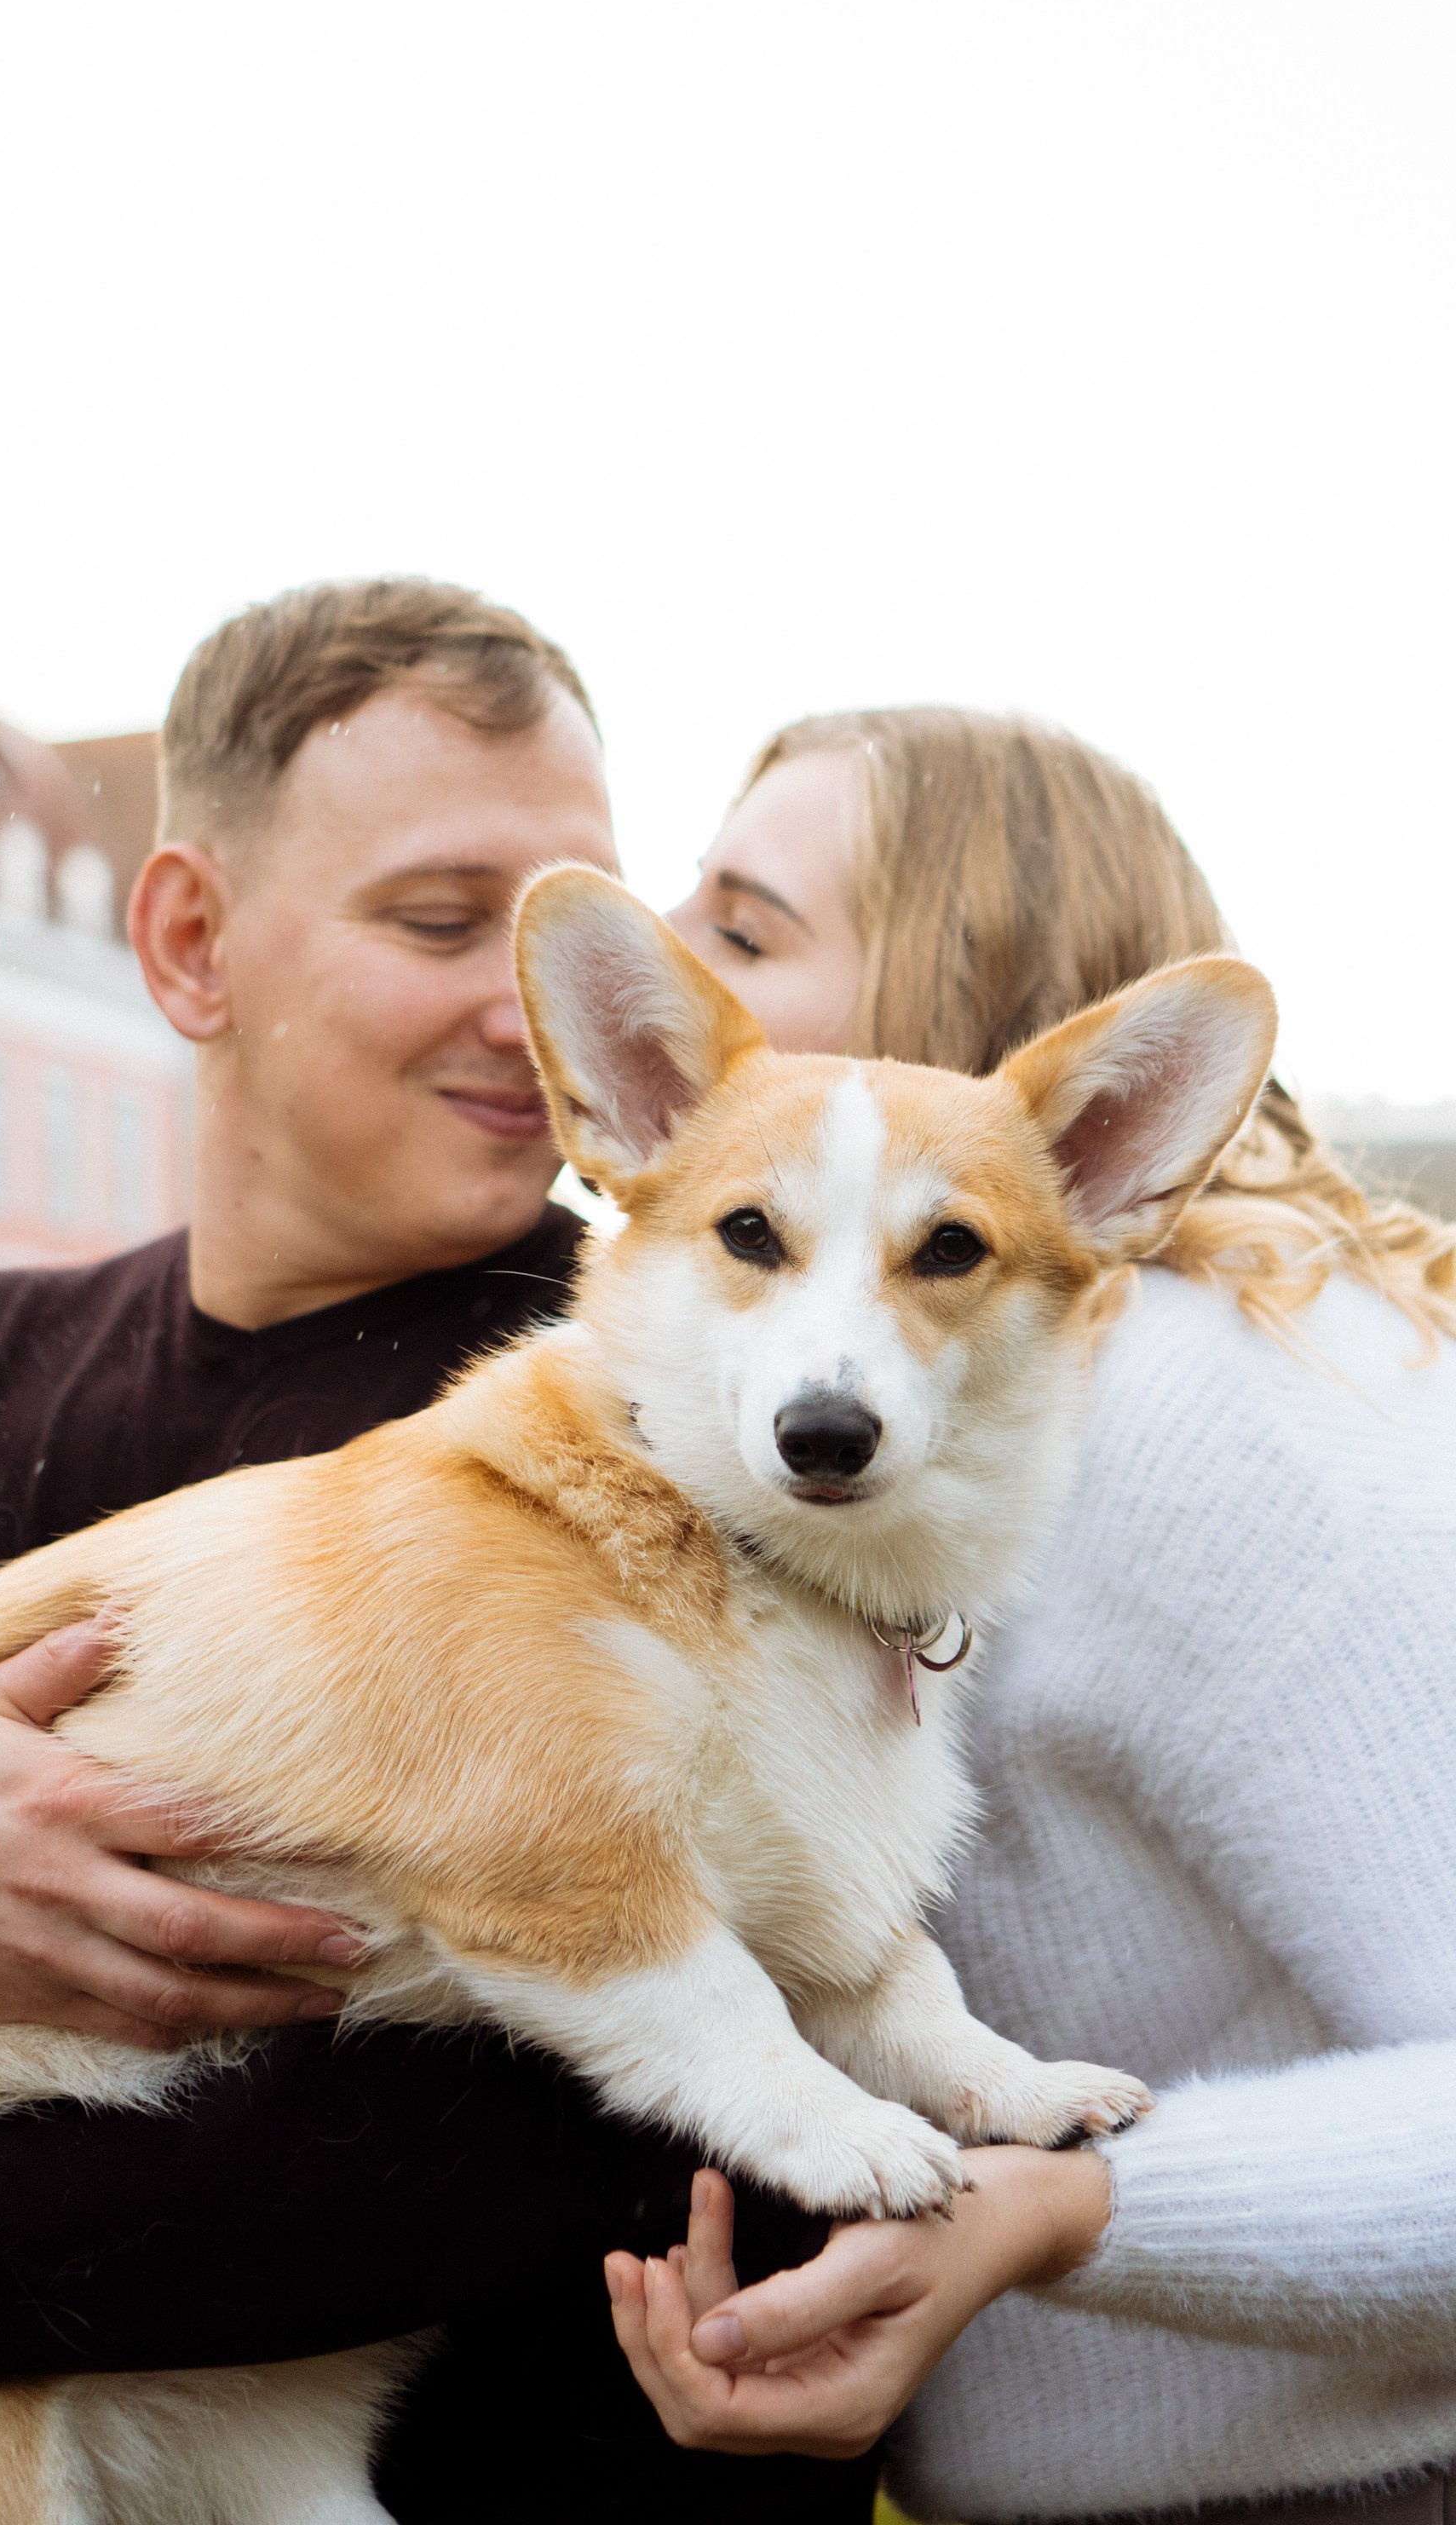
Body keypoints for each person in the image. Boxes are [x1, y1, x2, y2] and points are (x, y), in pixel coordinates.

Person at [0, 579, 882, 2522]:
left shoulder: (681, 1425)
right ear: (191, 943)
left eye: (580, 930)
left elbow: (556, 2114)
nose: (534, 1004)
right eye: (445, 922)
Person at [604, 706, 1456, 2522]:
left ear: (959, 994)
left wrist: (1068, 2208)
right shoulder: (850, 1438)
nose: (671, 968)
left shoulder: (1214, 1407)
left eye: (745, 933)